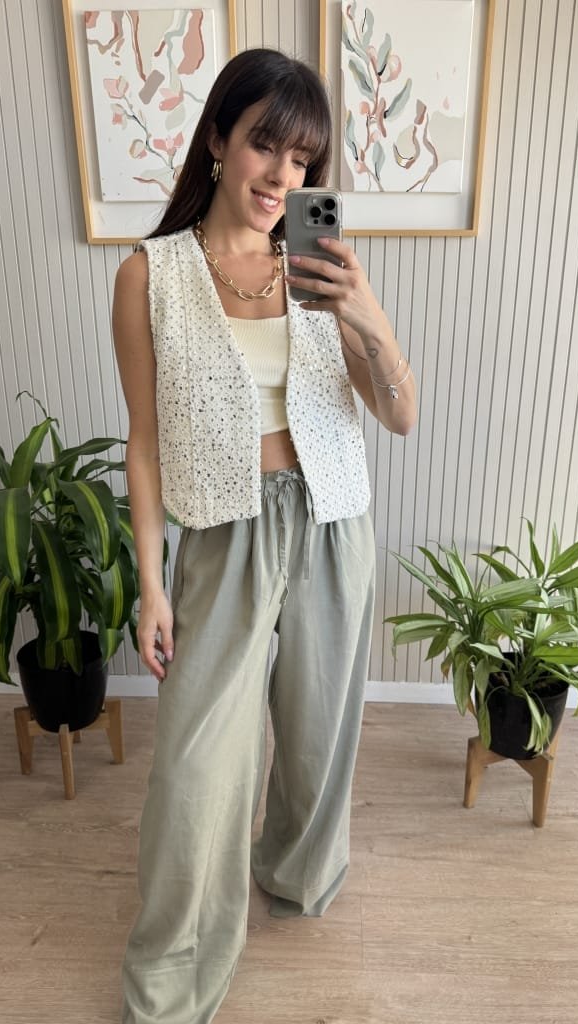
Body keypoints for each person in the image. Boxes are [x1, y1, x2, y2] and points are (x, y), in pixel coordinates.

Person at [112, 47, 417, 1024]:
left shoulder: (320, 266)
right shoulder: (149, 275)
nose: (283, 175)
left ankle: (294, 869)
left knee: (320, 729)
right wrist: (151, 585)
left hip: (332, 522)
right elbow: (145, 444)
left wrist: (361, 309)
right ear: (217, 138)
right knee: (198, 770)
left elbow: (399, 414)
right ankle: (172, 974)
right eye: (265, 145)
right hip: (222, 532)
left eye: (303, 159)